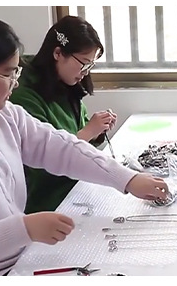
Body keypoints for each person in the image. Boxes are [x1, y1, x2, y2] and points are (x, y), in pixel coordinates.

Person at [0, 12, 168, 276]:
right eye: (8, 74)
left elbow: (59, 147)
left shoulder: (1, 114)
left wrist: (127, 179)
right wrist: (21, 229)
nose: (16, 83)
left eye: (17, 71)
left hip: (21, 260)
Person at [10, 16, 118, 213]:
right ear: (58, 53)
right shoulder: (24, 94)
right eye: (84, 63)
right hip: (45, 200)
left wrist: (96, 131)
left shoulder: (64, 80)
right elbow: (42, 158)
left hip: (75, 186)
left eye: (90, 65)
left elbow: (77, 129)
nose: (86, 72)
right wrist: (88, 132)